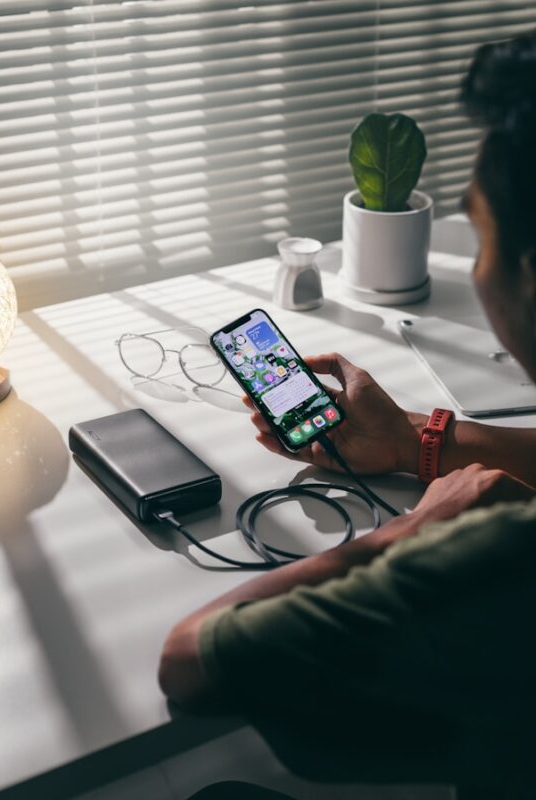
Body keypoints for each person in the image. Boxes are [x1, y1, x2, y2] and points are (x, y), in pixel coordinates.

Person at [159, 33, 536, 799]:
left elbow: (192, 663)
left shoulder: (501, 556)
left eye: (479, 229)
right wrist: (412, 441)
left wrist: (418, 527)